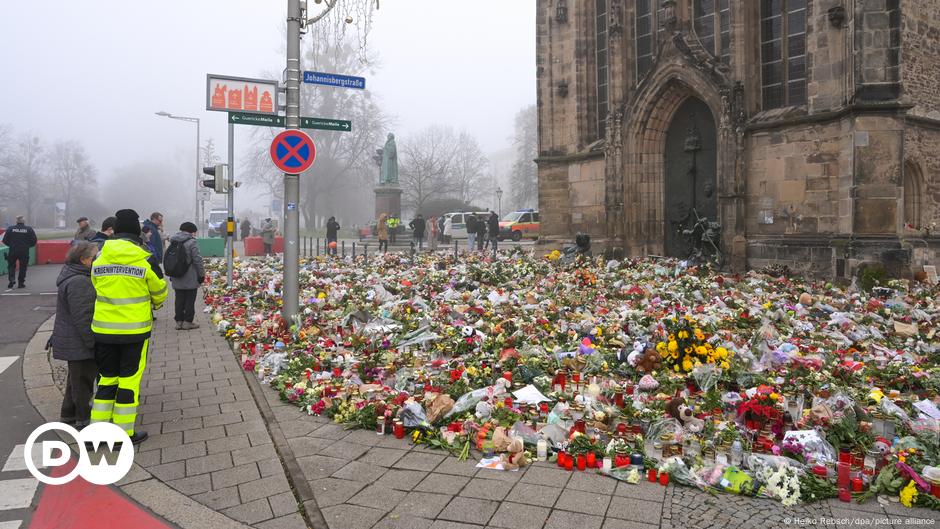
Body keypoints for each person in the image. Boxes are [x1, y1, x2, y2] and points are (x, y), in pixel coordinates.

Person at [90, 209, 167, 445]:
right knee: (128, 380)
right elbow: (160, 291)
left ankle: (98, 433)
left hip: (103, 330)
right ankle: (124, 433)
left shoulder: (100, 257)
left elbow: (94, 285)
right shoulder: (145, 258)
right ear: (136, 232)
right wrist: (155, 302)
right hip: (134, 331)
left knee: (106, 379)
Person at [50, 241, 99, 428]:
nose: (97, 259)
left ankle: (68, 414)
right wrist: (92, 342)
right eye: (94, 257)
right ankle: (83, 420)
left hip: (70, 338)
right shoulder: (80, 281)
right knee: (83, 382)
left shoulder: (72, 274)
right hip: (78, 341)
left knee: (75, 379)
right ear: (83, 260)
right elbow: (83, 316)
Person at [167, 222, 205, 330]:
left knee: (179, 298)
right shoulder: (192, 242)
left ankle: (178, 322)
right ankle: (188, 322)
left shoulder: (173, 241)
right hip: (190, 276)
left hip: (176, 274)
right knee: (190, 299)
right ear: (192, 231)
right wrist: (201, 275)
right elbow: (197, 260)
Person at [3, 215, 37, 289]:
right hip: (24, 251)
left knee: (11, 266)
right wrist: (27, 246)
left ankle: (11, 279)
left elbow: (5, 240)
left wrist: (11, 245)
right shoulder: (29, 229)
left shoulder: (10, 229)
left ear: (16, 221)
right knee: (23, 267)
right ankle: (21, 283)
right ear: (24, 221)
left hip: (13, 250)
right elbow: (34, 241)